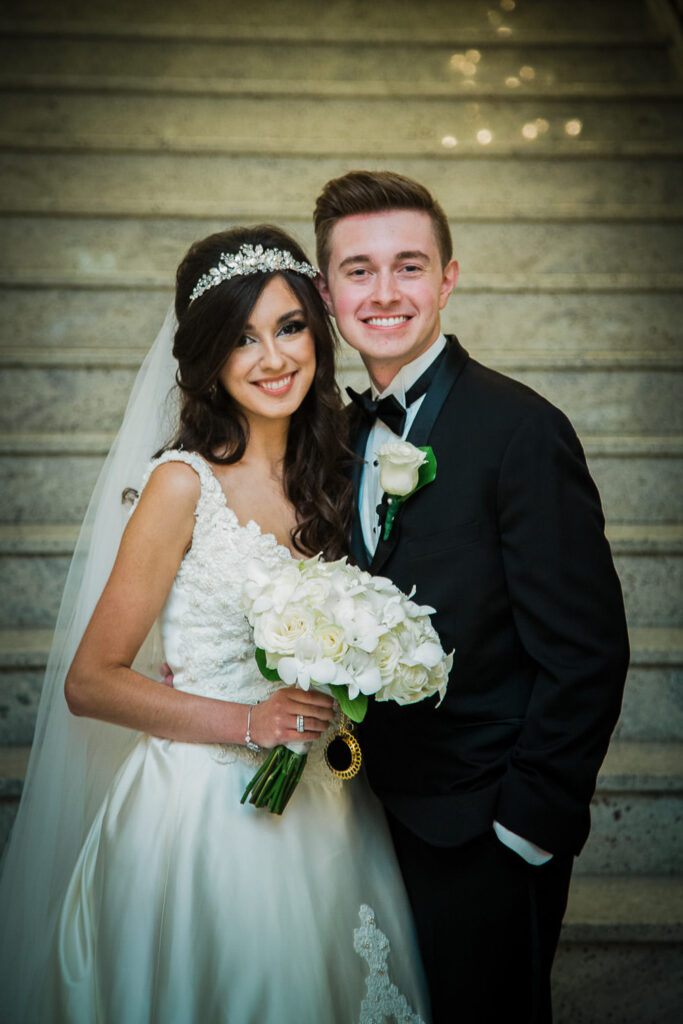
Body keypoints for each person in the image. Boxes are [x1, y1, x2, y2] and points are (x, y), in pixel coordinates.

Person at [0, 225, 431, 1023]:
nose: (273, 358)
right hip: (201, 819)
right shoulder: (179, 486)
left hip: (330, 809)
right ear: (208, 358)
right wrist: (248, 719)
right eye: (241, 338)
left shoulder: (342, 471)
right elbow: (90, 682)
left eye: (290, 327)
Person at [313, 171, 630, 1024]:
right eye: (358, 270)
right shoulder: (335, 439)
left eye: (409, 266)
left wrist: (523, 827)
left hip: (483, 830)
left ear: (448, 278)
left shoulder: (521, 429)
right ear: (325, 290)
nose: (384, 293)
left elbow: (586, 652)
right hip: (360, 822)